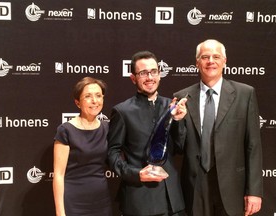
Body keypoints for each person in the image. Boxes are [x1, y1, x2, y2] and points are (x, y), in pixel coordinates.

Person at [174, 39, 263, 216]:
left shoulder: (245, 94)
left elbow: (253, 146)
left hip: (232, 186)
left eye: (216, 56)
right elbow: (178, 146)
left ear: (225, 61)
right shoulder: (181, 97)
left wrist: (254, 191)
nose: (211, 61)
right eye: (205, 57)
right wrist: (177, 122)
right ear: (197, 62)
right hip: (195, 185)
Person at [108, 50, 187, 216]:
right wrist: (136, 174)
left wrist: (179, 121)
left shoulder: (172, 106)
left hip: (172, 200)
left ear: (159, 75)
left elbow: (181, 147)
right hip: (140, 201)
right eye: (143, 73)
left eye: (153, 72)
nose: (150, 77)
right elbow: (112, 154)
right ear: (133, 78)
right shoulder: (122, 111)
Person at [53, 77, 112, 216]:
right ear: (77, 102)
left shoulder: (108, 128)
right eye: (88, 96)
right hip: (74, 202)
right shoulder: (66, 130)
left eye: (98, 96)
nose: (94, 101)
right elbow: (58, 175)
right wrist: (60, 212)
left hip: (101, 201)